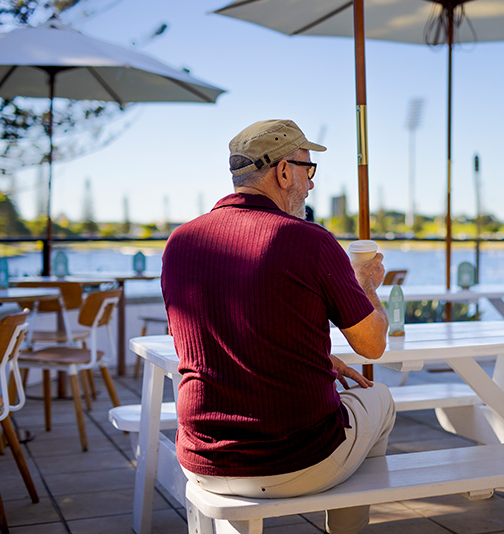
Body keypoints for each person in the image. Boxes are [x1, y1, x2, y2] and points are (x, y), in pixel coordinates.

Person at [161, 119, 394, 534]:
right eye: (308, 169)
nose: (311, 185)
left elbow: (207, 334)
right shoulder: (308, 239)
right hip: (294, 458)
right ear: (284, 171)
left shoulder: (181, 241)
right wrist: (366, 287)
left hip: (200, 456)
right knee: (381, 398)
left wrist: (314, 355)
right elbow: (373, 345)